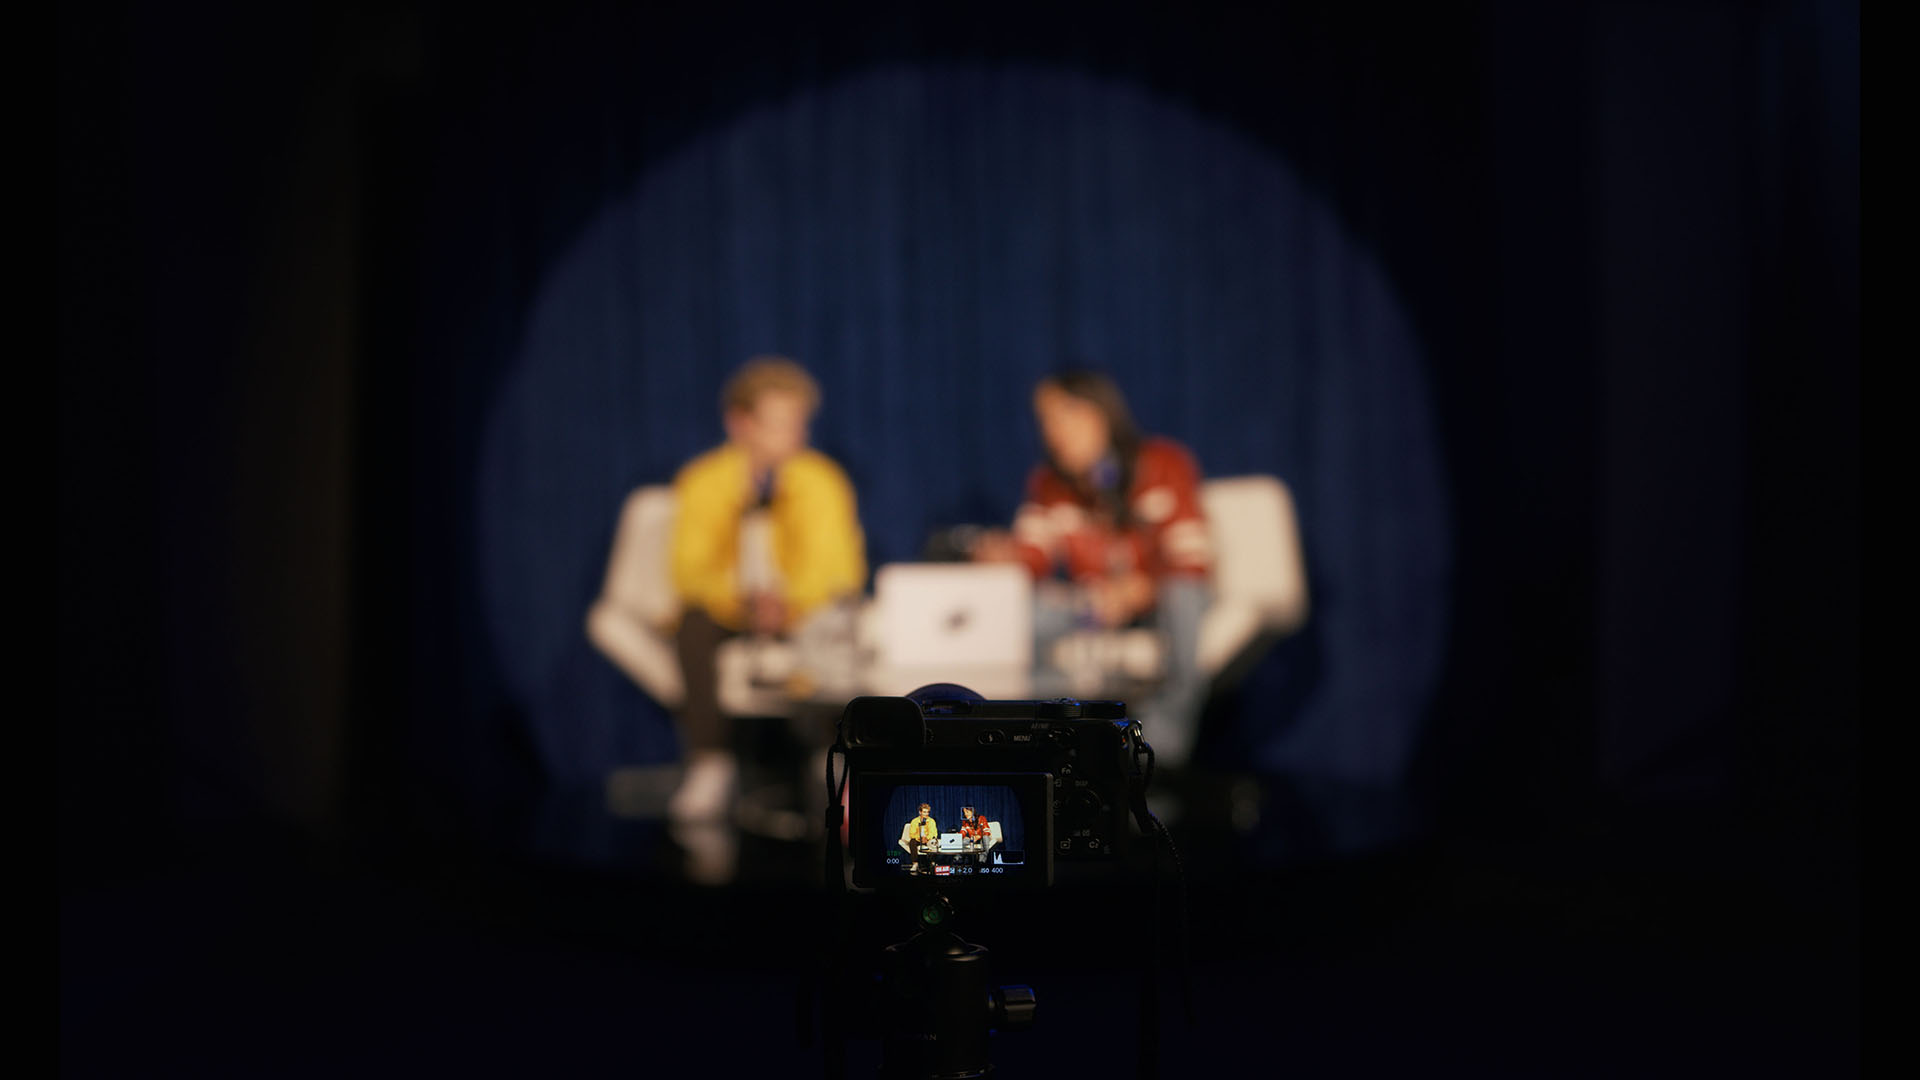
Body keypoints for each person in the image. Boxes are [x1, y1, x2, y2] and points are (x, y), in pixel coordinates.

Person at [974, 370, 1212, 768]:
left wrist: (1141, 589)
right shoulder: (1049, 484)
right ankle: (1052, 737)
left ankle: (1156, 759)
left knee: (1184, 595)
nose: (1055, 431)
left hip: (1159, 601)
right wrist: (1003, 557)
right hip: (1094, 607)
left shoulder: (1163, 463)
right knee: (1021, 611)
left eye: (1066, 414)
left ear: (1102, 412)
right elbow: (1032, 555)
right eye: (1045, 420)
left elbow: (1191, 556)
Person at [665, 357, 867, 821]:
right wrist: (743, 603)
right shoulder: (703, 481)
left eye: (799, 423)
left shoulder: (821, 480)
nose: (794, 435)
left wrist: (791, 603)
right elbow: (690, 569)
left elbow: (838, 568)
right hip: (732, 610)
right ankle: (710, 762)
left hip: (799, 610)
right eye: (779, 424)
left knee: (839, 622)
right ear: (741, 424)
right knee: (692, 626)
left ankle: (832, 758)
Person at [899, 802, 939, 874]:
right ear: (920, 812)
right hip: (918, 839)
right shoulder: (914, 821)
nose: (926, 814)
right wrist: (920, 838)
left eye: (927, 812)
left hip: (928, 839)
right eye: (924, 812)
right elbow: (912, 834)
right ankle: (915, 863)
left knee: (934, 842)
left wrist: (927, 838)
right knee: (912, 842)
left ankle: (932, 862)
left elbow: (934, 833)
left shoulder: (931, 821)